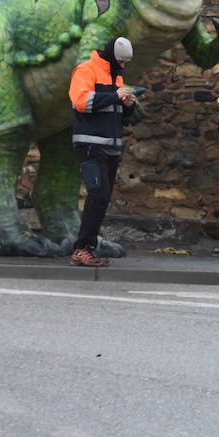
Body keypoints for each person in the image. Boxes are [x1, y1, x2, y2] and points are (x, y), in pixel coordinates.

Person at [68, 37, 139, 267]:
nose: (124, 66)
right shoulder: (86, 70)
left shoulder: (116, 75)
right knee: (97, 193)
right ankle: (81, 249)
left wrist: (128, 106)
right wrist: (115, 96)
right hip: (90, 144)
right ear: (111, 56)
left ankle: (87, 247)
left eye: (126, 62)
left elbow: (112, 110)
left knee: (103, 197)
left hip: (110, 147)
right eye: (121, 61)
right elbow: (81, 101)